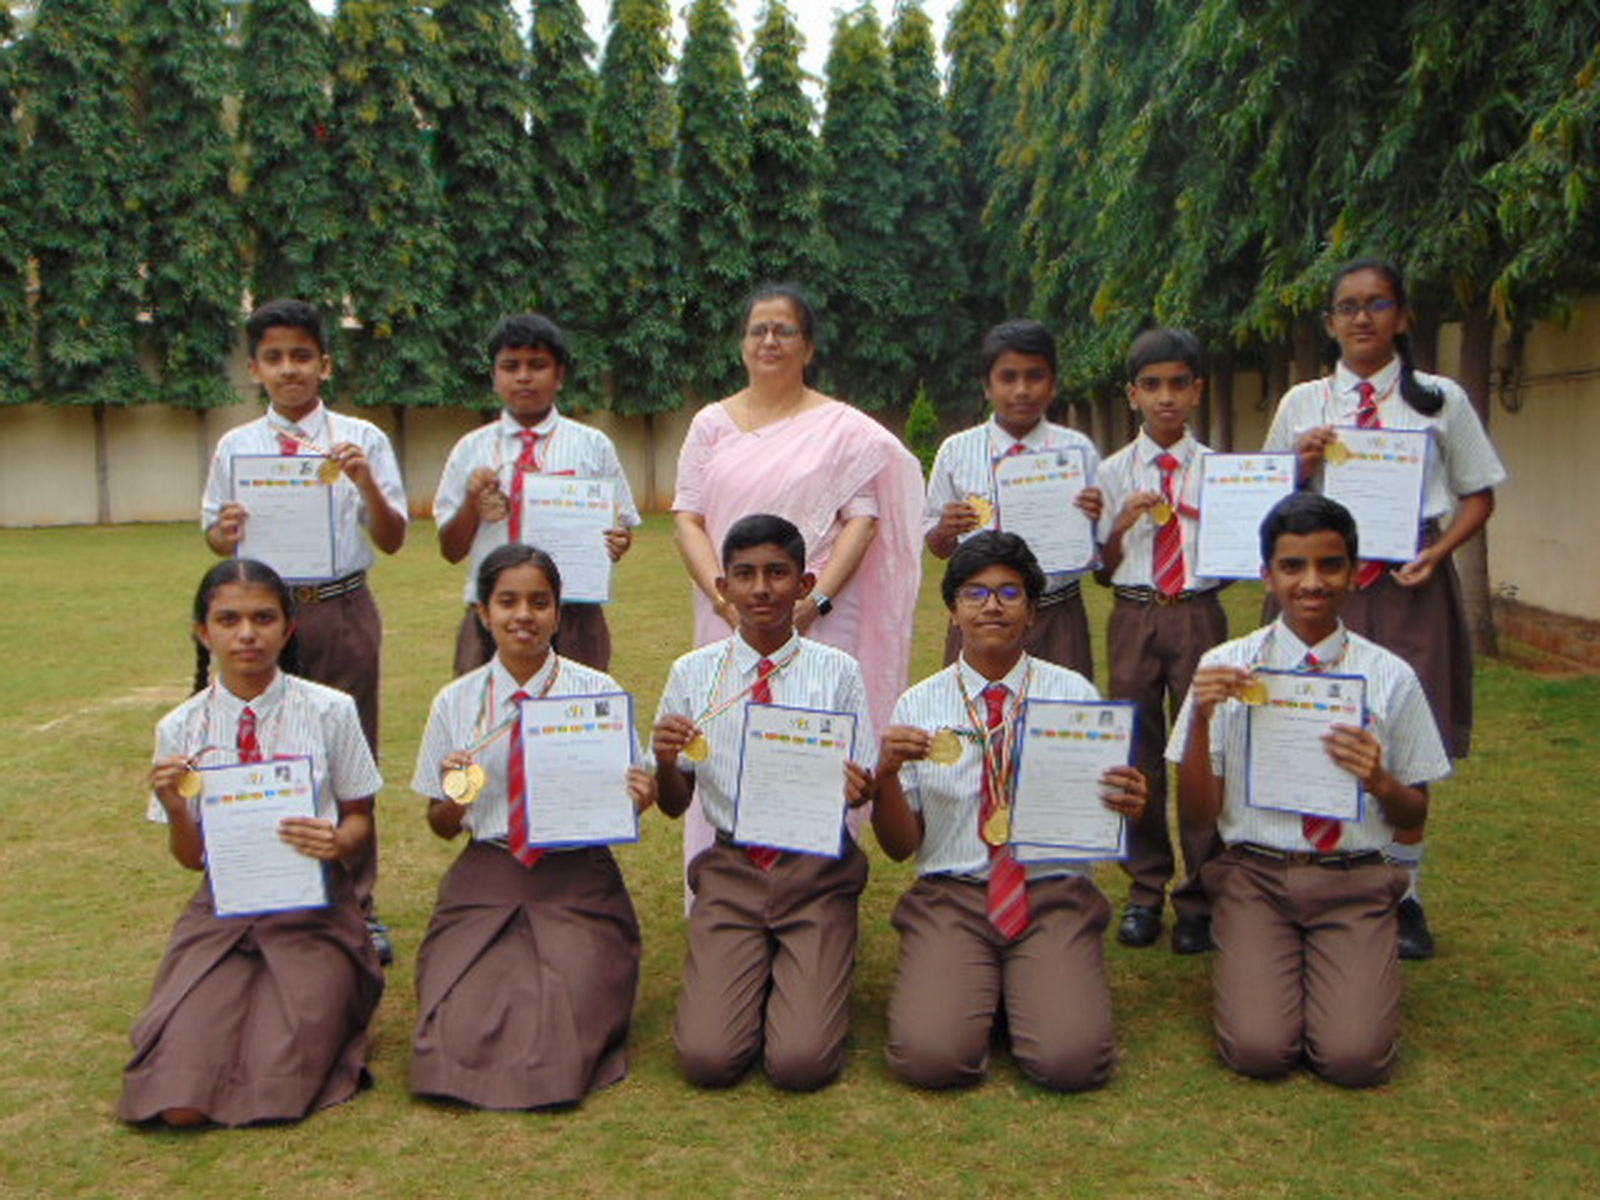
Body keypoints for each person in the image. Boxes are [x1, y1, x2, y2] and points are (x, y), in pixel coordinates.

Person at [1263, 259, 1506, 959]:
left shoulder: (1441, 400)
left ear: (1402, 316)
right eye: (1347, 306)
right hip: (1318, 585)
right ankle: (1313, 879)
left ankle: (1405, 894)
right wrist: (1300, 466)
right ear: (1330, 322)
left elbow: (1479, 494)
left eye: (1377, 304)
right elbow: (1264, 497)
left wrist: (1438, 552)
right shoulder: (1303, 403)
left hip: (1408, 584)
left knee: (1406, 731)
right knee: (1307, 718)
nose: (1362, 317)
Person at [1168, 493, 1450, 1087]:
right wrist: (1201, 719)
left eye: (1330, 565)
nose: (1312, 582)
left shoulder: (1390, 677)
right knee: (1258, 1049)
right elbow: (1197, 814)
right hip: (1256, 878)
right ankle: (1266, 956)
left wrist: (1379, 780)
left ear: (1355, 572)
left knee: (1354, 1058)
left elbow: (1413, 812)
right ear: (1267, 574)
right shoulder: (1226, 667)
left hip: (1352, 879)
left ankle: (1346, 957)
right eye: (1293, 566)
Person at [671, 283, 922, 898]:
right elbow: (687, 518)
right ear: (742, 344)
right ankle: (726, 880)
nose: (770, 340)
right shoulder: (711, 425)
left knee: (813, 736)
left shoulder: (841, 429)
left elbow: (862, 518)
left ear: (807, 347)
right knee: (725, 732)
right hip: (728, 613)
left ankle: (816, 887)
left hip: (818, 613)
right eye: (758, 329)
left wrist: (816, 602)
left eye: (784, 330)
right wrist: (724, 599)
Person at [873, 532, 1147, 1092]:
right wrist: (884, 776)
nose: (992, 605)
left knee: (1071, 1062)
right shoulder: (918, 704)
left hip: (1050, 894)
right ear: (953, 611)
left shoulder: (1073, 694)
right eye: (974, 593)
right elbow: (902, 847)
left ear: (1032, 611)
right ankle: (987, 988)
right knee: (930, 1058)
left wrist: (1127, 803)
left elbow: (1099, 811)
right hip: (954, 896)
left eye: (1009, 592)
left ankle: (1023, 986)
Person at [120, 560, 384, 1127]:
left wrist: (337, 841)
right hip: (223, 910)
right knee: (181, 1102)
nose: (247, 634)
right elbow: (191, 858)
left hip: (313, 909)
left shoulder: (330, 711)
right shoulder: (180, 729)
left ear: (289, 629)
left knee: (280, 1068)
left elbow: (360, 818)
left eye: (263, 618)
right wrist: (176, 810)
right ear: (203, 632)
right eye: (228, 620)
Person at [409, 544, 654, 1110]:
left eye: (539, 603)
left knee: (566, 1007)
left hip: (576, 874)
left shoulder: (598, 693)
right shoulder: (456, 702)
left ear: (558, 613)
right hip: (489, 869)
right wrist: (458, 794)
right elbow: (441, 826)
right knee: (457, 1020)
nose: (524, 615)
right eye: (508, 602)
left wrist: (639, 798)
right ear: (483, 612)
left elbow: (628, 798)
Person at [201, 298, 405, 962]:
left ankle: (357, 901)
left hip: (341, 609)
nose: (289, 369)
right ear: (255, 369)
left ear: (325, 363)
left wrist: (365, 482)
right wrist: (223, 531)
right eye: (274, 358)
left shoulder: (361, 439)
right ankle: (269, 888)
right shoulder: (237, 447)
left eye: (301, 356)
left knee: (349, 754)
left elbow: (393, 537)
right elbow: (214, 535)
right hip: (264, 618)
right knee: (264, 750)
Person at [653, 514, 875, 1091]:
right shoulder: (693, 674)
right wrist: (666, 761)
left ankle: (807, 966)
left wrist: (858, 786)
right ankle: (759, 967)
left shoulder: (838, 673)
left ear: (805, 584)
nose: (761, 589)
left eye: (777, 573)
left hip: (815, 868)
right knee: (707, 1058)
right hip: (734, 868)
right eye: (745, 574)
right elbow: (674, 804)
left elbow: (864, 777)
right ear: (722, 586)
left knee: (802, 1063)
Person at [1095, 328, 1228, 954]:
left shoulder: (1222, 472)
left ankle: (1201, 894)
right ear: (1133, 395)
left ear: (1197, 391)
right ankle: (1146, 889)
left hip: (1198, 612)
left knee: (1204, 749)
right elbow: (1100, 567)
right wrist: (1122, 523)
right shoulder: (1111, 472)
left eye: (1178, 384)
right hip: (1135, 613)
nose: (1165, 398)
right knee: (1138, 753)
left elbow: (1241, 554)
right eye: (1152, 386)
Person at [433, 313, 640, 675]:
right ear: (494, 376)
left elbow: (620, 528)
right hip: (492, 614)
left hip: (573, 614)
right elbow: (451, 550)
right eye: (510, 366)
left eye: (537, 365)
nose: (524, 376)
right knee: (484, 708)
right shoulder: (471, 450)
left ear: (559, 375)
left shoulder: (592, 446)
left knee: (574, 705)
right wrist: (472, 502)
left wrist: (619, 541)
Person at [924, 319, 1103, 676]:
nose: (1022, 390)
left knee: (1060, 708)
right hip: (981, 615)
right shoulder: (956, 452)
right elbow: (937, 547)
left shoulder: (1078, 451)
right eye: (1008, 377)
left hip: (1057, 612)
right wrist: (945, 529)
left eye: (1034, 377)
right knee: (974, 708)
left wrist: (1099, 519)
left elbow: (1100, 546)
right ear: (987, 386)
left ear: (1053, 384)